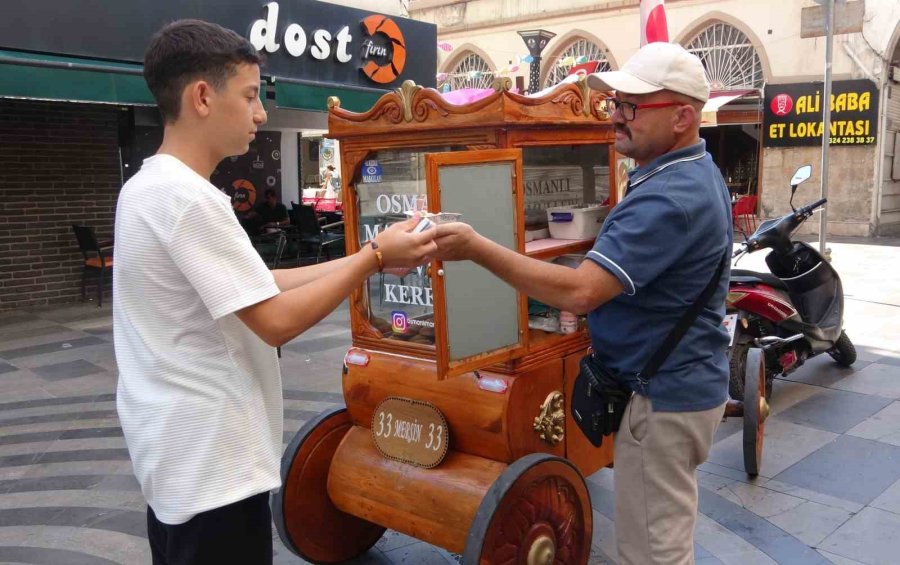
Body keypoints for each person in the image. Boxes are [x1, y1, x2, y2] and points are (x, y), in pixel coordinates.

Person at [113, 19, 436, 565]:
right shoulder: (189, 199)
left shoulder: (146, 187)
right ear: (201, 97)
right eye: (249, 95)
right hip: (213, 467)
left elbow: (254, 288)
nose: (261, 113)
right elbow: (275, 319)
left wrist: (363, 255)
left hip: (174, 459)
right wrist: (376, 259)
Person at [432, 41, 731, 565]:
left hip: (661, 397)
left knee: (653, 551)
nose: (616, 115)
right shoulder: (687, 173)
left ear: (683, 116)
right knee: (659, 533)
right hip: (679, 385)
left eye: (631, 107)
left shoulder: (671, 195)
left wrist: (474, 246)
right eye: (616, 102)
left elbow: (581, 291)